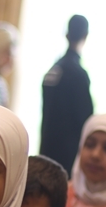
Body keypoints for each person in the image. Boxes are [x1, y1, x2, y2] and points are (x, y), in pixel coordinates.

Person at [40, 15, 94, 174]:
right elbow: (86, 120)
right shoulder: (78, 74)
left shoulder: (53, 70)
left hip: (46, 150)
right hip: (67, 158)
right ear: (86, 36)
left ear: (67, 34)